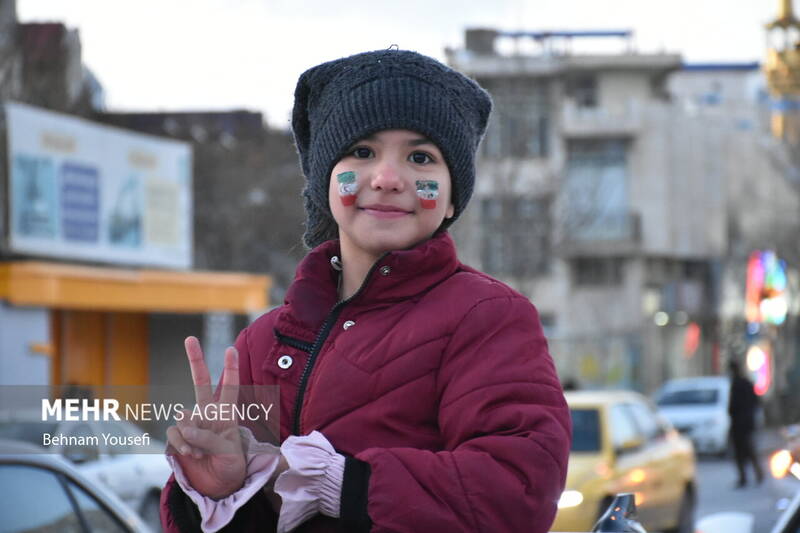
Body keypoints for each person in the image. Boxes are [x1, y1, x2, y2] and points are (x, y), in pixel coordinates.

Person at [159, 48, 571, 533]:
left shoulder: (488, 316)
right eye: (361, 152)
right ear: (325, 182)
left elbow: (520, 490)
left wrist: (345, 482)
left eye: (421, 157)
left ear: (454, 192)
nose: (389, 178)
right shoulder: (261, 343)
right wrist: (218, 491)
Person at [728, 359, 763, 488]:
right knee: (748, 450)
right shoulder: (745, 383)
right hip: (746, 423)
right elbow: (756, 402)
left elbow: (733, 406)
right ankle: (754, 475)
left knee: (741, 451)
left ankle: (746, 477)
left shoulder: (738, 384)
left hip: (740, 423)